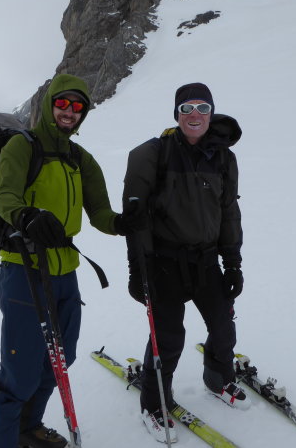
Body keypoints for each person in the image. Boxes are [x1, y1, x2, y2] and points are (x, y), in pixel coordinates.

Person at [0, 73, 144, 448]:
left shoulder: (80, 159)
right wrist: (27, 217)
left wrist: (121, 223)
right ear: (50, 104)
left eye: (77, 106)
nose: (69, 111)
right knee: (19, 371)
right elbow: (3, 197)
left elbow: (99, 213)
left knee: (58, 361)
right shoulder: (22, 147)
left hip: (66, 272)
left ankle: (26, 428)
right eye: (63, 103)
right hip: (24, 269)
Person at [122, 82, 250, 443]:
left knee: (223, 327)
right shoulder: (151, 154)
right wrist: (137, 269)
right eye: (187, 108)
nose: (195, 114)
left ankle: (217, 377)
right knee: (168, 338)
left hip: (206, 262)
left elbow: (229, 212)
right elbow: (135, 218)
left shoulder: (223, 158)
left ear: (211, 113)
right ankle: (154, 403)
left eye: (203, 108)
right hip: (164, 263)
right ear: (176, 113)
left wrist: (233, 263)